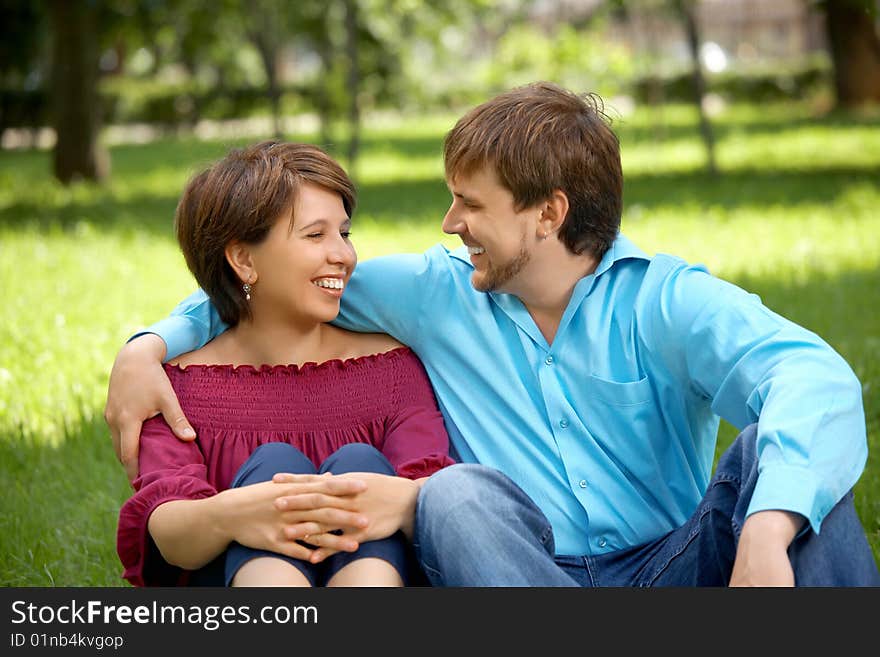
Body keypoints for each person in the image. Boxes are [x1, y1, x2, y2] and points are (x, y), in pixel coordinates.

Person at [106, 82, 879, 587]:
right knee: (456, 493)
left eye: (469, 203)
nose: (450, 225)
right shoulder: (437, 294)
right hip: (514, 568)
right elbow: (281, 284)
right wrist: (150, 344)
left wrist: (768, 534)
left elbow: (812, 380)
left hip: (670, 567)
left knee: (780, 466)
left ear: (548, 212)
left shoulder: (665, 302)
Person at [115, 140, 454, 588]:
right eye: (316, 235)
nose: (344, 255)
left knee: (359, 462)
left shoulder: (390, 367)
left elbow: (434, 499)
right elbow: (170, 535)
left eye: (345, 234)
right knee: (273, 464)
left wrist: (351, 501)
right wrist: (240, 514)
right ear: (243, 259)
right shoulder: (176, 386)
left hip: (375, 568)